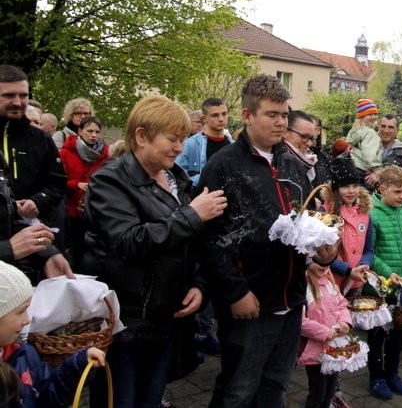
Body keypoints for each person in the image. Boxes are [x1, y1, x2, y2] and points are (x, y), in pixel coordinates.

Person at [83, 95, 227, 408]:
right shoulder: (110, 180)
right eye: (173, 139)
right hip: (126, 325)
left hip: (168, 318)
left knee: (150, 398)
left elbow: (195, 243)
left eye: (184, 139)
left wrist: (200, 285)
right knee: (119, 399)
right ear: (142, 136)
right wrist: (193, 213)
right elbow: (129, 241)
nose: (179, 147)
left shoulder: (177, 178)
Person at [197, 74, 317, 407]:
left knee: (275, 386)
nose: (281, 123)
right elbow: (208, 238)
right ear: (248, 115)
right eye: (272, 114)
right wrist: (236, 292)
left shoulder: (291, 163)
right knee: (238, 389)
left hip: (291, 298)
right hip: (250, 302)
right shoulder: (223, 167)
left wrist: (321, 243)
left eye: (284, 115)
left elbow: (304, 220)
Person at [0, 261, 107, 407]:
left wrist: (75, 366)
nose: (27, 320)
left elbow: (48, 394)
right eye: (20, 312)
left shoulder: (24, 355)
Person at [0, 65, 71, 281]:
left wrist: (37, 202)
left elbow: (58, 184)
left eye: (23, 95)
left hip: (29, 246)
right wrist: (8, 248)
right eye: (9, 95)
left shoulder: (39, 139)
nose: (18, 102)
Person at [366, 165, 402, 400]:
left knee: (398, 333)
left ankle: (393, 373)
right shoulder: (372, 214)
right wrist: (389, 273)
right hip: (381, 287)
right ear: (382, 189)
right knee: (378, 333)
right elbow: (371, 253)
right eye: (397, 192)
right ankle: (376, 376)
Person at [298, 255, 353, 408]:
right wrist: (324, 332)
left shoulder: (330, 283)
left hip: (333, 349)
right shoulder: (304, 286)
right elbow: (300, 321)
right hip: (315, 351)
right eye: (316, 259)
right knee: (318, 392)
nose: (323, 265)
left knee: (330, 391)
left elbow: (341, 305)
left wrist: (344, 321)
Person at [59, 115, 109, 268]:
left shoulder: (106, 154)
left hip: (97, 209)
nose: (94, 135)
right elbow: (58, 182)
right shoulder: (66, 153)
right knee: (75, 250)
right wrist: (76, 184)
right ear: (80, 131)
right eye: (90, 131)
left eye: (97, 132)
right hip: (73, 210)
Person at [325, 157, 374, 293]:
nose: (351, 191)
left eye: (355, 185)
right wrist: (347, 270)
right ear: (336, 189)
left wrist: (364, 264)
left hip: (355, 283)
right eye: (345, 186)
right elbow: (320, 253)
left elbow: (369, 249)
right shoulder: (326, 213)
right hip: (331, 282)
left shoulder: (365, 214)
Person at [176, 97, 233, 186]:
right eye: (215, 115)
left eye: (224, 114)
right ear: (204, 118)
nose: (221, 119)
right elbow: (177, 176)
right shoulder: (190, 145)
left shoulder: (234, 145)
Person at [283, 110, 329, 188]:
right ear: (285, 132)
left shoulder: (309, 163)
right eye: (304, 136)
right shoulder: (275, 163)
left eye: (311, 138)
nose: (309, 144)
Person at [346, 99, 382, 189]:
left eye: (375, 114)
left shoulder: (356, 131)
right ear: (362, 116)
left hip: (354, 167)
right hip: (363, 171)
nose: (373, 117)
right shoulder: (370, 133)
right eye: (369, 114)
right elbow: (369, 154)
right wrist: (376, 169)